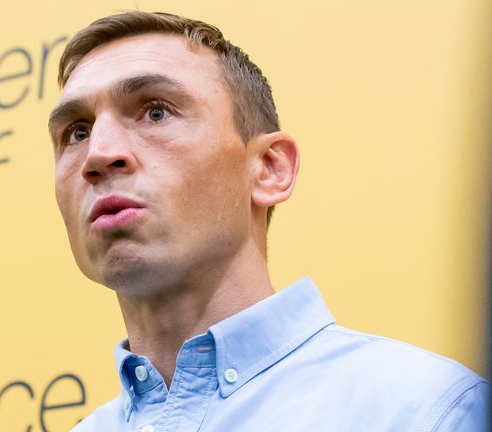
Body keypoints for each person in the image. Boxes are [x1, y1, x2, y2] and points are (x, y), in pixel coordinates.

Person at [47, 11, 490, 431]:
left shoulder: (425, 411)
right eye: (77, 132)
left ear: (269, 169)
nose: (98, 154)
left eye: (156, 111)